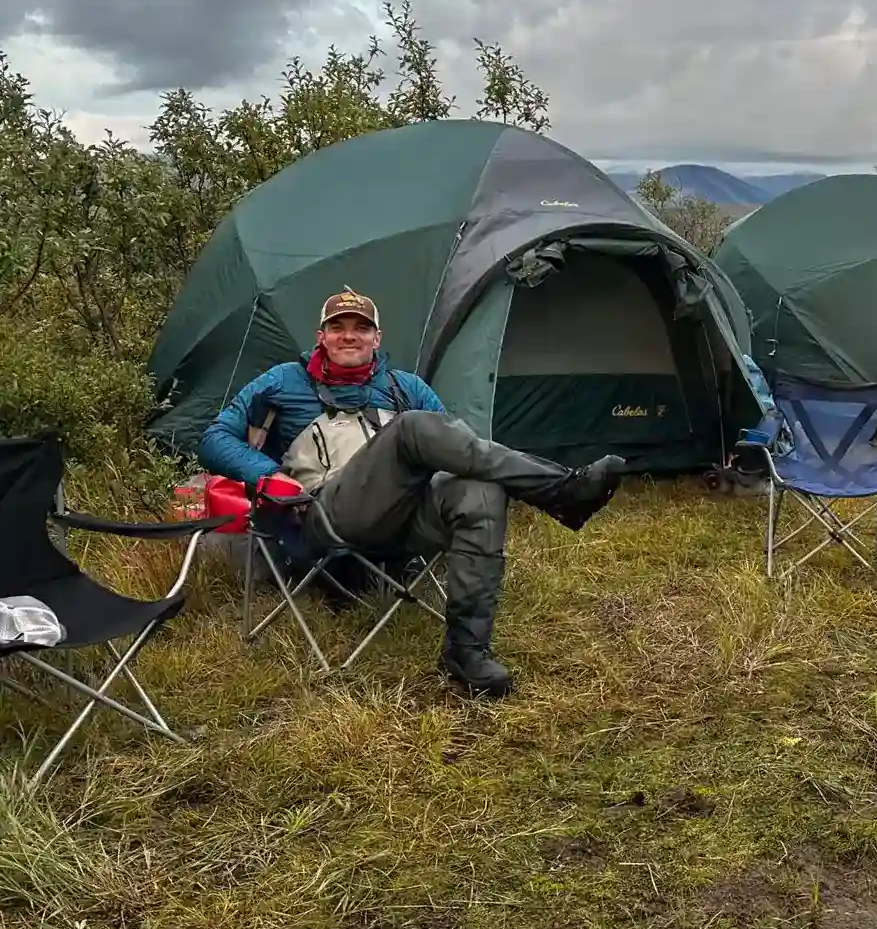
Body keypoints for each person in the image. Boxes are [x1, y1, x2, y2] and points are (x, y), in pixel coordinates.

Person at [199, 288, 627, 698]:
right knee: (412, 427)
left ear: (377, 338)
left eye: (361, 327)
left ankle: (467, 650)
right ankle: (559, 489)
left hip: (403, 521)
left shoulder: (406, 387)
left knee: (478, 488)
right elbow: (215, 437)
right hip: (323, 516)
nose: (349, 335)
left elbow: (462, 453)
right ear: (321, 336)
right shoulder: (281, 383)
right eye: (338, 326)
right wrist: (267, 474)